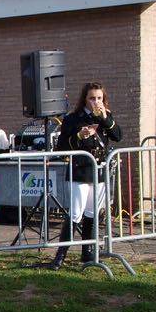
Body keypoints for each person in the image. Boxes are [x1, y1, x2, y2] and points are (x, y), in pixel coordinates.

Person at [49, 82, 123, 270]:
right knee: (75, 212)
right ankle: (60, 255)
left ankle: (87, 253)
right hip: (80, 170)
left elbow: (117, 136)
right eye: (92, 98)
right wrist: (79, 137)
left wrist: (105, 118)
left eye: (99, 98)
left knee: (92, 213)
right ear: (85, 99)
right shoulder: (73, 119)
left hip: (99, 170)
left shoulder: (106, 116)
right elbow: (62, 147)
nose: (95, 102)